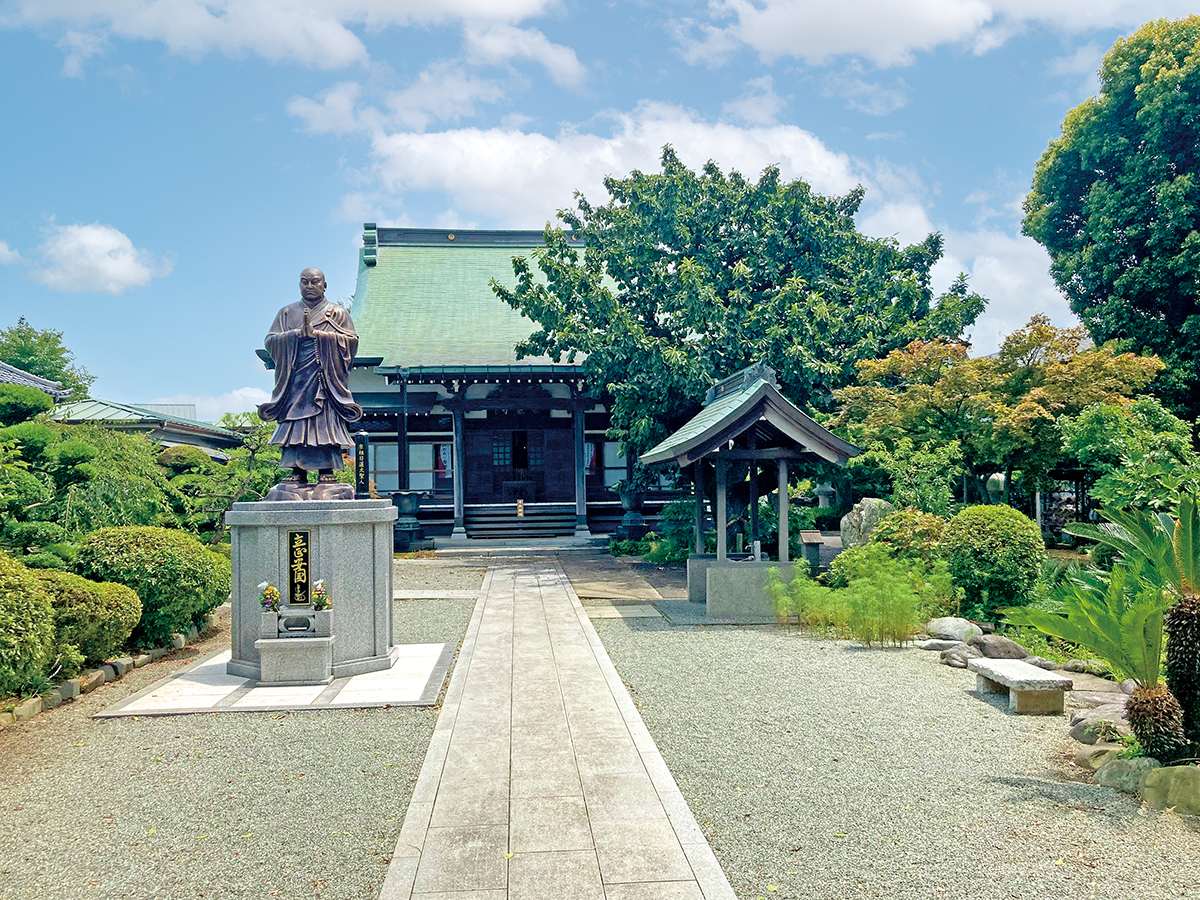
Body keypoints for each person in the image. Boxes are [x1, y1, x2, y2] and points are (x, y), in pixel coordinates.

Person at [259, 267, 361, 500]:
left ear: (324, 286)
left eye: (315, 282)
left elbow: (351, 342)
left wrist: (319, 337)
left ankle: (327, 471)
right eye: (304, 282)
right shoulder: (285, 313)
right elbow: (270, 341)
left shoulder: (337, 313)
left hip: (324, 380)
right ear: (299, 284)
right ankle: (296, 471)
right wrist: (296, 336)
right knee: (295, 425)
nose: (310, 286)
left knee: (325, 426)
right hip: (296, 380)